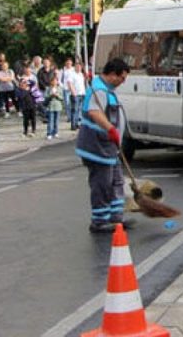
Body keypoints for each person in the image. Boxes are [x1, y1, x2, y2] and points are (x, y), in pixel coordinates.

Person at [75, 58, 131, 233]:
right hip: (97, 147)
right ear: (113, 74)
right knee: (102, 184)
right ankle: (99, 220)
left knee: (116, 182)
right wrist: (110, 129)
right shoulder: (99, 90)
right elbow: (94, 112)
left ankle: (116, 218)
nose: (123, 82)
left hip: (109, 148)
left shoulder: (106, 90)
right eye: (121, 78)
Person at [67, 62, 87, 131]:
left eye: (80, 67)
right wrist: (73, 92)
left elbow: (83, 84)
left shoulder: (81, 74)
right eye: (77, 66)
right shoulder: (72, 74)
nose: (78, 68)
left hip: (82, 94)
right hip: (75, 94)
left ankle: (77, 123)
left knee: (79, 110)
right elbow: (69, 83)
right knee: (74, 110)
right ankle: (73, 125)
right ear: (75, 67)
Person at [45, 75, 64, 140]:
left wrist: (57, 95)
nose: (54, 82)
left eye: (55, 81)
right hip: (51, 106)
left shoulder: (59, 88)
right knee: (50, 120)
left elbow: (62, 98)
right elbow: (46, 97)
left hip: (58, 106)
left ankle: (55, 132)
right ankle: (49, 133)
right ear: (50, 82)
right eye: (52, 81)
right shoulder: (48, 88)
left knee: (56, 121)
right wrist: (51, 95)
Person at [60, 58, 75, 124]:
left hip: (74, 89)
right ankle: (69, 117)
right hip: (66, 89)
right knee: (67, 104)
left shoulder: (74, 70)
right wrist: (63, 86)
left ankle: (75, 117)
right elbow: (59, 80)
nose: (68, 64)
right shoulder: (62, 70)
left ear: (71, 63)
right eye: (67, 63)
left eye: (70, 63)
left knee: (74, 103)